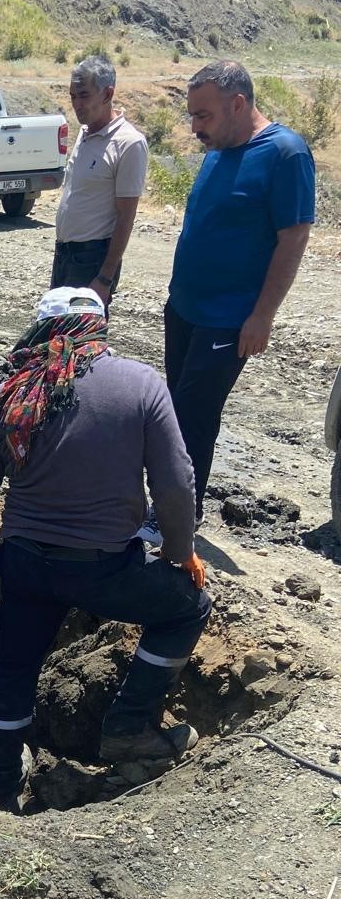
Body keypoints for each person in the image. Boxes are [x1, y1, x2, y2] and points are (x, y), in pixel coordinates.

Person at [0, 287, 211, 812]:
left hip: (25, 563)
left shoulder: (16, 393)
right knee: (190, 608)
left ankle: (1, 780)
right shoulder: (140, 384)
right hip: (104, 569)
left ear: (42, 333)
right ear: (100, 329)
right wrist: (181, 550)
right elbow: (176, 481)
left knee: (15, 664)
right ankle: (129, 728)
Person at [142, 60, 314, 542]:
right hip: (185, 309)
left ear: (238, 104)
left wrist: (262, 316)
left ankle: (178, 517)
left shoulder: (284, 153)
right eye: (192, 116)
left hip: (228, 319)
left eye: (204, 116)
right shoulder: (219, 149)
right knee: (174, 409)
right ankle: (171, 504)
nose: (195, 127)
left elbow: (294, 237)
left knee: (194, 414)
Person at [51, 56, 149, 311]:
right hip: (65, 254)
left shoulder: (129, 143)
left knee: (81, 341)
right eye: (73, 96)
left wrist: (104, 278)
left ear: (107, 94)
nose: (76, 105)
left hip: (91, 259)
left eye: (84, 95)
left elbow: (126, 217)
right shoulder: (85, 132)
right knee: (56, 338)